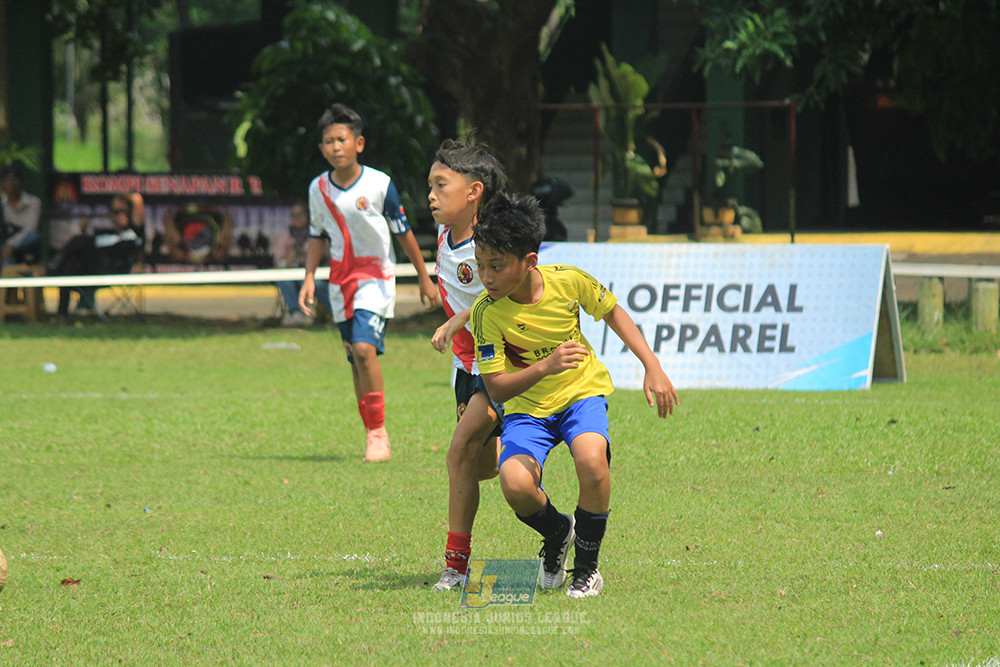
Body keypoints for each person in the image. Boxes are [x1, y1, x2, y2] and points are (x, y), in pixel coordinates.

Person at [470, 192, 679, 598]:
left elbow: (614, 312)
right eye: (480, 266)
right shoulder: (486, 313)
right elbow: (495, 386)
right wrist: (546, 366)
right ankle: (557, 530)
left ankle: (586, 567)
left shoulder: (567, 280)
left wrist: (651, 365)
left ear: (530, 260)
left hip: (581, 394)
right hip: (527, 411)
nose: (487, 277)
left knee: (591, 460)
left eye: (496, 266)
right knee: (514, 484)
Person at [298, 103, 438, 462]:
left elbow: (403, 233)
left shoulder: (380, 184)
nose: (336, 147)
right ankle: (370, 432)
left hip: (376, 278)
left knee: (364, 350)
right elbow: (316, 235)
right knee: (354, 359)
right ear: (321, 149)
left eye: (342, 139)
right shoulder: (317, 188)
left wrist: (425, 278)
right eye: (328, 142)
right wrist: (309, 278)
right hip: (340, 283)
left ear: (358, 143)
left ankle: (379, 433)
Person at [425, 139, 507, 591]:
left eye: (441, 185)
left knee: (458, 452)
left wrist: (457, 317)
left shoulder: (492, 243)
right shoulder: (443, 236)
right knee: (482, 468)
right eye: (430, 186)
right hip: (465, 365)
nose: (431, 196)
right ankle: (556, 523)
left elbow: (502, 297)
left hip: (498, 364)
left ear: (473, 191)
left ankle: (455, 566)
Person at [49, 193, 143, 323]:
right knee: (69, 266)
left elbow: (137, 199)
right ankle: (62, 315)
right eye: (115, 212)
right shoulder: (106, 233)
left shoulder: (134, 233)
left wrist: (125, 199)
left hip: (112, 272)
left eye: (124, 211)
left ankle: (48, 270)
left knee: (77, 243)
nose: (120, 215)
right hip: (91, 270)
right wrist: (83, 231)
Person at [275, 201, 329, 326]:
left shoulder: (315, 230)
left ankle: (334, 314)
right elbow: (278, 258)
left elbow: (323, 253)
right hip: (293, 273)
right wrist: (288, 258)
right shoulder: (287, 233)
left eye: (300, 214)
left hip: (315, 273)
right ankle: (297, 313)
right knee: (284, 279)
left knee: (317, 284)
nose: (297, 218)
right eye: (294, 215)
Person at [1, 161, 43, 266]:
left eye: (14, 179)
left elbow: (30, 229)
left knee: (34, 235)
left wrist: (11, 244)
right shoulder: (1, 202)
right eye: (7, 180)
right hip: (5, 241)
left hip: (26, 241)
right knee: (6, 252)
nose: (10, 183)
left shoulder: (34, 201)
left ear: (20, 181)